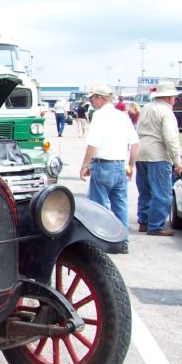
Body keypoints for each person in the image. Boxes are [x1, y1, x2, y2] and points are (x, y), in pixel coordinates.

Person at [80, 83, 140, 253]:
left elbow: (93, 143)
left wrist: (85, 165)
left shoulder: (99, 116)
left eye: (92, 98)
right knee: (120, 204)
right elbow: (135, 144)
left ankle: (102, 242)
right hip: (120, 165)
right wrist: (131, 165)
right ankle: (123, 242)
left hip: (103, 165)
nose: (91, 102)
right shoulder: (122, 116)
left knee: (98, 207)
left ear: (100, 98)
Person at [135, 81, 182, 237]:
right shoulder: (166, 112)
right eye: (175, 98)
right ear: (169, 98)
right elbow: (170, 138)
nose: (175, 101)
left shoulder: (146, 108)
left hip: (141, 152)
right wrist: (177, 161)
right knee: (161, 192)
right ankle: (156, 226)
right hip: (158, 154)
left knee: (145, 191)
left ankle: (144, 221)